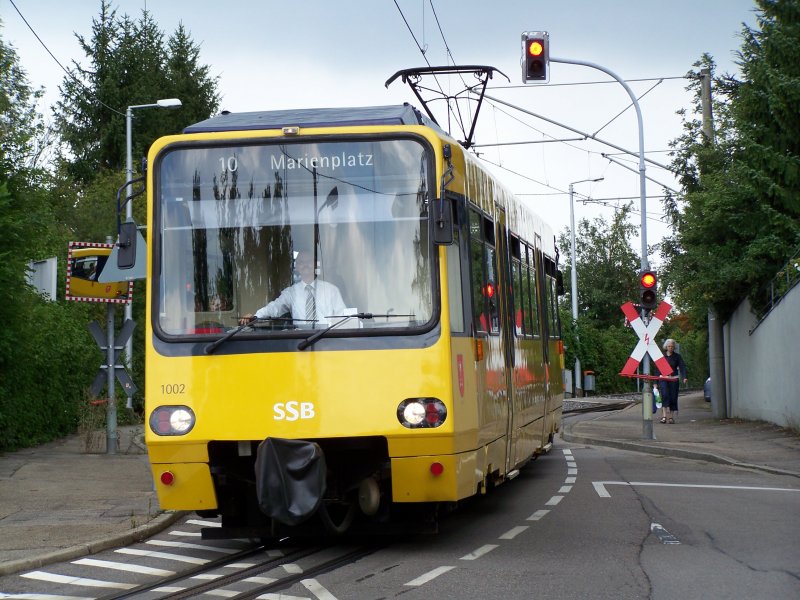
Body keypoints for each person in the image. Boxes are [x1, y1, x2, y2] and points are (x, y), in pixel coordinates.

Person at [239, 250, 347, 328]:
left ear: (315, 264)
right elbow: (274, 308)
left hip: (328, 342)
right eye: (301, 262)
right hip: (301, 343)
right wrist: (255, 316)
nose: (305, 265)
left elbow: (343, 318)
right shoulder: (291, 292)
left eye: (308, 262)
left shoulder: (332, 290)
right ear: (297, 267)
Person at [658, 338, 688, 424]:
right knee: (664, 395)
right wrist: (655, 383)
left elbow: (682, 367)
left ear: (674, 347)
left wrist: (684, 377)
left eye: (672, 346)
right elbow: (657, 369)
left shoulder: (677, 356)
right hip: (663, 379)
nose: (670, 348)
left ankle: (670, 417)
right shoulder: (662, 357)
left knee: (673, 397)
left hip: (674, 379)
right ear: (666, 347)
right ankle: (664, 416)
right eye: (669, 346)